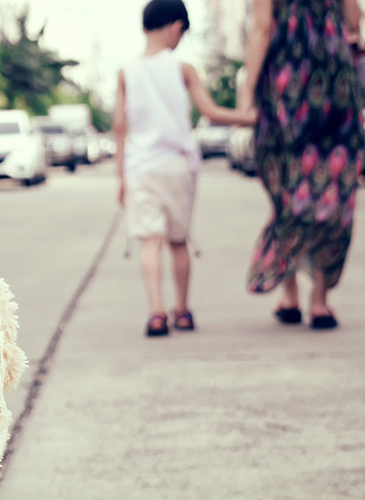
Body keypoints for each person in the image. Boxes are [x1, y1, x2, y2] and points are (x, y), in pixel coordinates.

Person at [114, 0, 258, 338]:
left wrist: (120, 176)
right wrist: (250, 118)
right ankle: (182, 311)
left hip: (140, 168)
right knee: (178, 241)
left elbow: (120, 126)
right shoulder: (183, 69)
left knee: (150, 242)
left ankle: (156, 312)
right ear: (177, 27)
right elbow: (211, 112)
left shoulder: (126, 72)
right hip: (177, 166)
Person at [238, 0, 365, 330]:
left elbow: (262, 28)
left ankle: (290, 294)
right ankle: (319, 301)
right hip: (336, 85)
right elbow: (353, 19)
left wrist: (247, 91)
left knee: (288, 194)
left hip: (289, 87)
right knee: (333, 196)